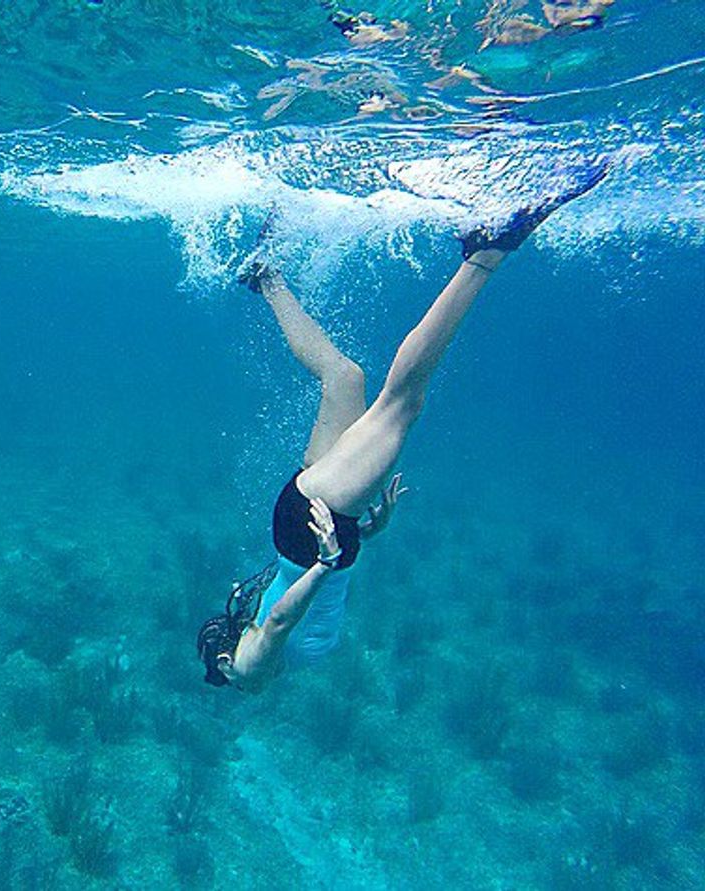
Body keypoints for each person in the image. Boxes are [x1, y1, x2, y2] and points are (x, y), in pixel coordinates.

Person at [196, 158, 609, 693]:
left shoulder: (248, 673)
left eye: (226, 668)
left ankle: (485, 252)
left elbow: (279, 621)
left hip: (314, 532)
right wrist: (360, 536)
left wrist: (328, 561)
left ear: (226, 664)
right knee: (344, 377)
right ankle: (265, 278)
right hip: (310, 525)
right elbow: (288, 606)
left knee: (402, 404)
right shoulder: (259, 654)